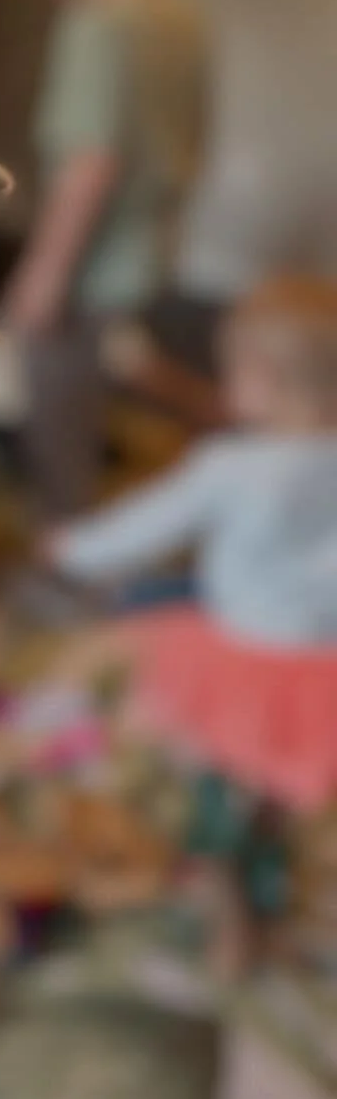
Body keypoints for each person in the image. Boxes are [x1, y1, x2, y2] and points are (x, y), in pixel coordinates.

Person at [46, 275, 337, 813]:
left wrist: (71, 548)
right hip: (326, 666)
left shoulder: (233, 468)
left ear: (262, 377)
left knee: (211, 770)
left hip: (243, 653)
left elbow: (144, 526)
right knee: (297, 786)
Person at [1, 0, 211, 517]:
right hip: (152, 265)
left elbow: (89, 165)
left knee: (62, 458)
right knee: (124, 445)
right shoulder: (184, 21)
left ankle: (71, 583)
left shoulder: (99, 21)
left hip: (89, 278)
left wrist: (42, 279)